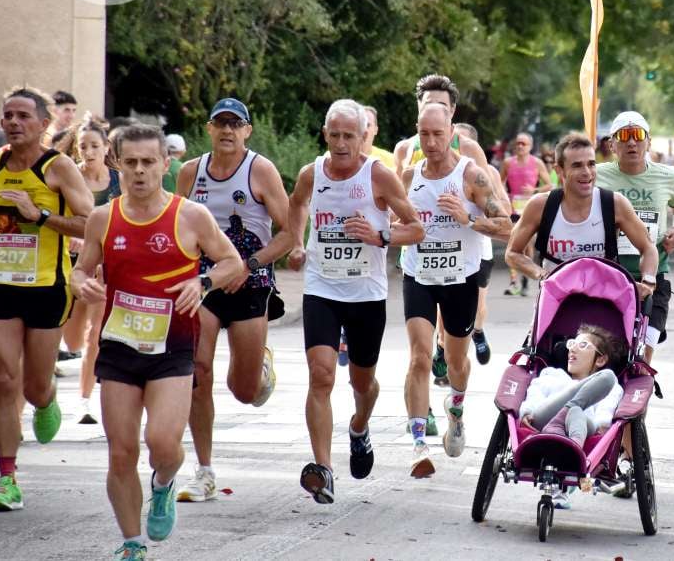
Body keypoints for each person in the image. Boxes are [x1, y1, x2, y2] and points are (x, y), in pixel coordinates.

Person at [70, 124, 243, 560]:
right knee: (121, 451)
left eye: (149, 162)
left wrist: (202, 282)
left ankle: (163, 484)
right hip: (119, 350)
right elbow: (81, 268)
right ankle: (132, 544)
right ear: (117, 165)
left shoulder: (190, 216)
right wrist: (80, 284)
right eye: (131, 163)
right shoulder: (103, 218)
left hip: (172, 349)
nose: (140, 171)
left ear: (166, 165)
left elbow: (231, 262)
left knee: (164, 445)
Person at [287, 99, 424, 503]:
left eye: (350, 135)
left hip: (366, 293)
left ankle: (360, 427)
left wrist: (380, 236)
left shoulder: (378, 176)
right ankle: (323, 470)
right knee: (322, 375)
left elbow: (416, 229)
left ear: (364, 136)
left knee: (361, 382)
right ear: (325, 134)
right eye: (335, 135)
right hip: (322, 288)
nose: (342, 143)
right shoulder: (312, 174)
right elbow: (296, 204)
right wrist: (297, 243)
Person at [174, 98, 295, 502]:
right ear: (208, 128)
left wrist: (250, 263)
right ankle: (204, 471)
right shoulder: (191, 172)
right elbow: (177, 227)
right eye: (219, 123)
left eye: (235, 124)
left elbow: (290, 232)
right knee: (198, 371)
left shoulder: (259, 170)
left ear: (247, 130)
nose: (227, 131)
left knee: (245, 391)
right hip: (204, 283)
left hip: (250, 281)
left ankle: (259, 363)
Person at [400, 104, 511, 478]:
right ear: (417, 134)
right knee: (419, 357)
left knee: (457, 363)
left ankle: (456, 409)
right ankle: (418, 445)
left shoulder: (471, 176)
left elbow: (506, 225)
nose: (430, 142)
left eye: (438, 134)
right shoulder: (408, 176)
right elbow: (388, 221)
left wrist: (468, 219)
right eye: (424, 134)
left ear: (451, 134)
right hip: (418, 275)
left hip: (460, 279)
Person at [0, 87, 93, 512]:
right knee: (1, 380)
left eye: (22, 116)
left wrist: (41, 217)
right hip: (0, 286)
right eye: (7, 115)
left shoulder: (58, 168)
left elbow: (92, 224)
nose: (14, 122)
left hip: (45, 290)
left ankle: (47, 397)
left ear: (42, 123)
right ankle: (7, 478)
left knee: (33, 388)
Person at [595, 111, 674, 362]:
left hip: (653, 275)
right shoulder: (597, 175)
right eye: (623, 136)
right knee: (608, 352)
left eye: (638, 135)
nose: (631, 142)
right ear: (612, 145)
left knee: (643, 357)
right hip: (610, 273)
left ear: (648, 142)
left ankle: (639, 398)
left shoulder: (668, 176)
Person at [505, 132, 658, 286]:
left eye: (591, 164)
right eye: (577, 165)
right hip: (556, 299)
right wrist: (543, 275)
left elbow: (648, 247)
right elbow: (512, 252)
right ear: (559, 170)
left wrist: (648, 282)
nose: (586, 172)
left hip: (604, 299)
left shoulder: (615, 203)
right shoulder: (540, 205)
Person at [519, 324, 626, 509]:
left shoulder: (610, 386)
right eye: (572, 343)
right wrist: (527, 410)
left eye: (583, 345)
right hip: (544, 420)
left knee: (584, 403)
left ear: (600, 359)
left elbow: (606, 408)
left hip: (583, 426)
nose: (573, 349)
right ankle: (571, 446)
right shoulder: (552, 374)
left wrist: (603, 423)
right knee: (595, 387)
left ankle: (572, 451)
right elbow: (534, 393)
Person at [60, 115, 121, 425]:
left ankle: (84, 402)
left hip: (104, 266)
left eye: (95, 145)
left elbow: (127, 220)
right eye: (83, 146)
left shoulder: (118, 182)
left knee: (93, 335)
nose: (89, 151)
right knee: (68, 337)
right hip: (68, 264)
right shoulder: (69, 178)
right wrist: (71, 236)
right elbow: (58, 216)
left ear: (106, 147)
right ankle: (46, 392)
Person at [454, 122, 510, 366]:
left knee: (477, 303)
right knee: (443, 304)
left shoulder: (488, 174)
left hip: (479, 246)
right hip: (447, 248)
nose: (457, 149)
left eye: (463, 144)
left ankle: (477, 331)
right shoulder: (434, 172)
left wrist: (475, 215)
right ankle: (443, 349)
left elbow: (505, 210)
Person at [500, 131, 552, 296]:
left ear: (530, 146)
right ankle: (514, 281)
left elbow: (549, 185)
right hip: (513, 208)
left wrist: (534, 190)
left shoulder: (537, 163)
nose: (520, 146)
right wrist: (504, 197)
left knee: (528, 245)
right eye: (518, 143)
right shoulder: (508, 163)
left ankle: (525, 279)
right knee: (513, 243)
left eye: (523, 143)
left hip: (530, 208)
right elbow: (499, 181)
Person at [361, 105, 396, 170]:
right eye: (360, 125)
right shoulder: (342, 159)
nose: (364, 130)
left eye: (367, 125)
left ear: (376, 130)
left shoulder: (390, 160)